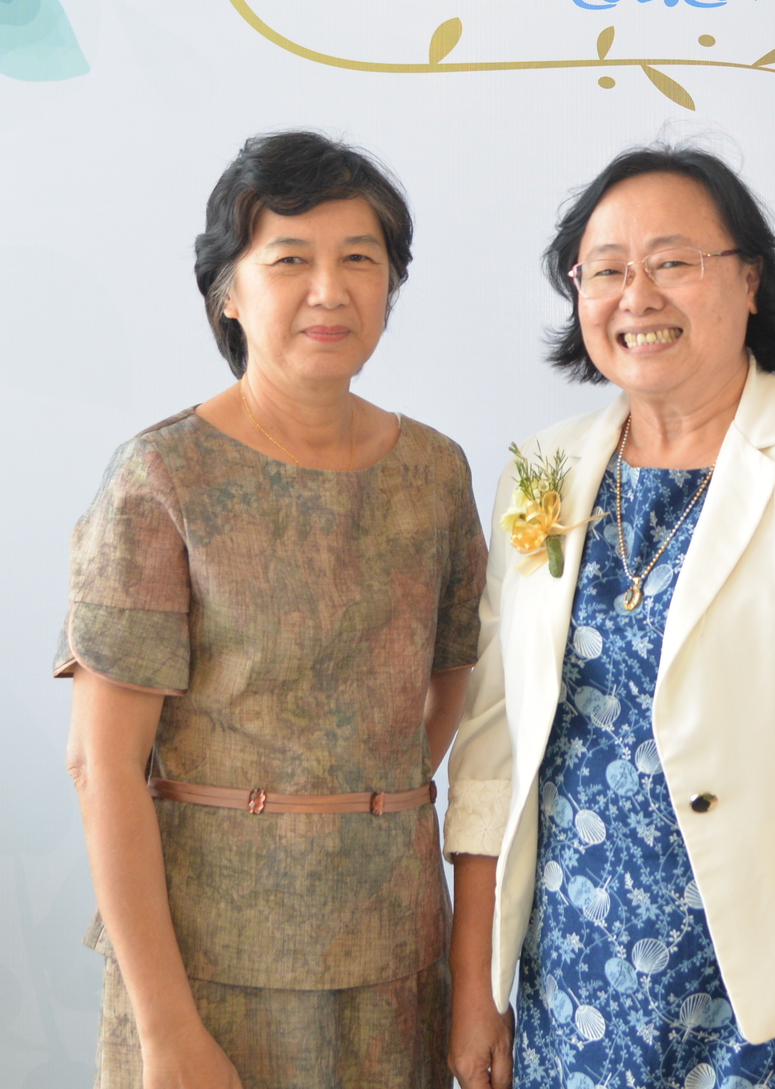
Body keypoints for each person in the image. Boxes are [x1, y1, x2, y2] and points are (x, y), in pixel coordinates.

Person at [445, 146, 775, 1089]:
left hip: (771, 1011)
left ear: (750, 280)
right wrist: (475, 992)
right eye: (606, 269)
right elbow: (492, 756)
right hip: (570, 996)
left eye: (673, 261)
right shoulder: (541, 473)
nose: (637, 295)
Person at [56, 130, 486, 1089]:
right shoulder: (163, 475)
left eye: (361, 260)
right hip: (209, 965)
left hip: (393, 949)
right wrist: (167, 1029)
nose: (330, 290)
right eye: (290, 259)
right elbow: (101, 766)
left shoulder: (435, 471)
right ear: (228, 292)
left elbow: (453, 669)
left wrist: (359, 804)